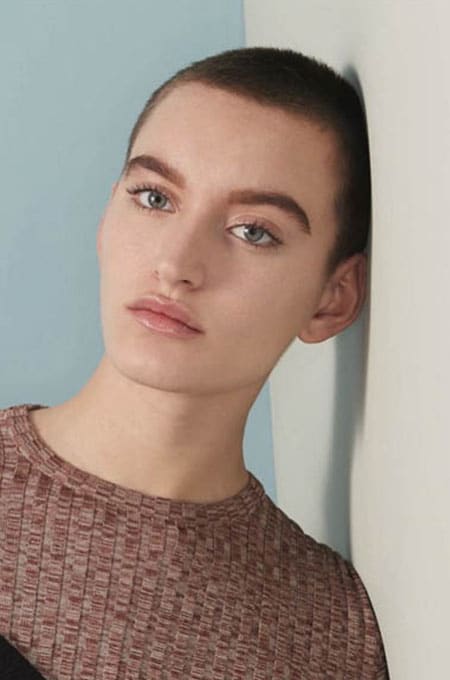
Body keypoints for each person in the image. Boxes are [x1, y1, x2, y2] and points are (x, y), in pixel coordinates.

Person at [0, 47, 389, 678]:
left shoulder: (329, 635)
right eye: (154, 198)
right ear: (106, 216)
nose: (177, 264)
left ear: (332, 299)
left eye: (253, 231)